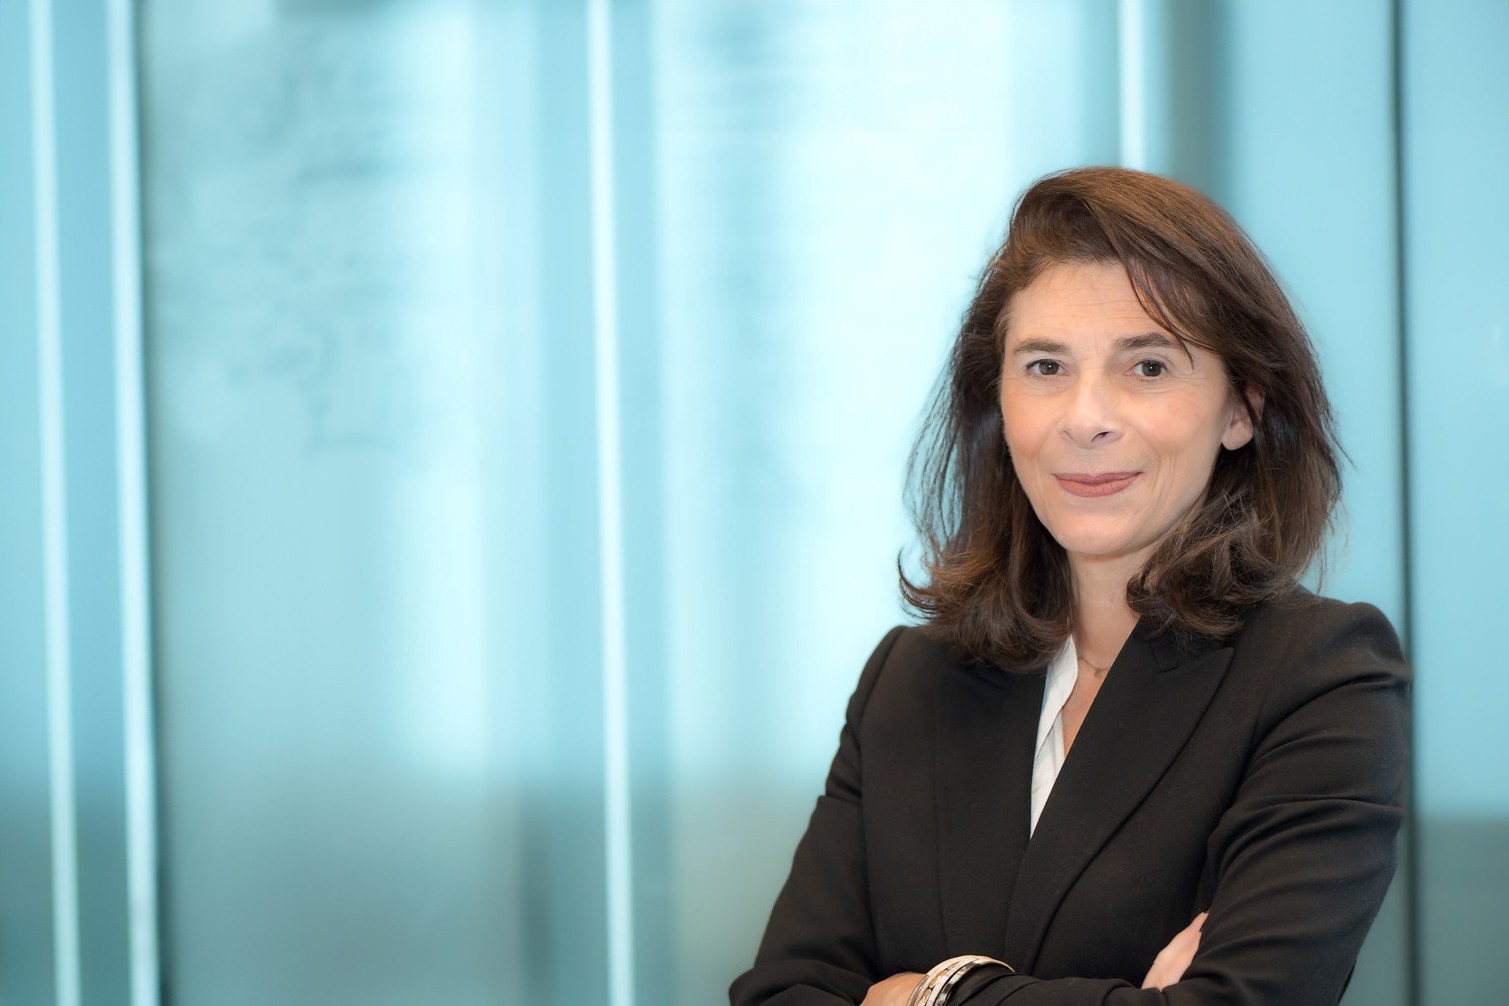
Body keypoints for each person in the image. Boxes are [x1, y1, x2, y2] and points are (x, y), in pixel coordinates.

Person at [729, 167, 1409, 1006]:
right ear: (997, 402)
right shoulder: (909, 680)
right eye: (1045, 365)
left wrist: (932, 994)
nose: (1085, 418)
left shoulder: (1320, 675)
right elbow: (781, 992)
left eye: (1148, 366)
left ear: (1241, 409)